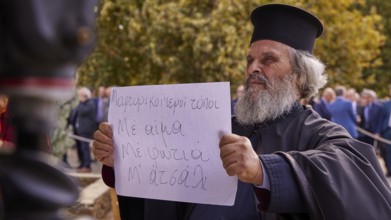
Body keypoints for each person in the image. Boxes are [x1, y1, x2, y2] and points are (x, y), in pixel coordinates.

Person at [93, 3, 391, 220]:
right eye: (250, 60)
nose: (253, 69)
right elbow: (167, 178)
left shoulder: (318, 133)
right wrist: (119, 159)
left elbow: (350, 173)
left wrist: (262, 171)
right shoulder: (219, 121)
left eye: (268, 60)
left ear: (299, 76)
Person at [74, 87, 96, 173]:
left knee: (85, 148)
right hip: (80, 129)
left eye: (80, 95)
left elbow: (81, 111)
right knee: (81, 148)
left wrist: (81, 101)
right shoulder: (83, 103)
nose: (79, 97)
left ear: (85, 96)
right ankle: (83, 163)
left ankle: (87, 165)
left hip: (86, 129)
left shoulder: (90, 103)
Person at [381, 85, 391, 176]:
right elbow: (382, 119)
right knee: (388, 152)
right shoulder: (386, 104)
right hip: (387, 131)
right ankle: (389, 170)